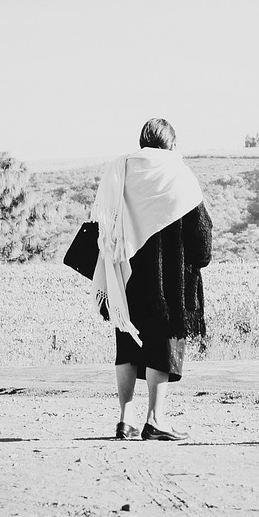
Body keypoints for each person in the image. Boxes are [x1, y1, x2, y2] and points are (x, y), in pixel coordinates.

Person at [91, 118, 213, 441]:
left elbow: (102, 222)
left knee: (127, 345)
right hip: (169, 283)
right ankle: (156, 418)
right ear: (172, 144)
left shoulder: (121, 171)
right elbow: (202, 243)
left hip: (125, 276)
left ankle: (125, 418)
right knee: (163, 343)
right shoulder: (179, 175)